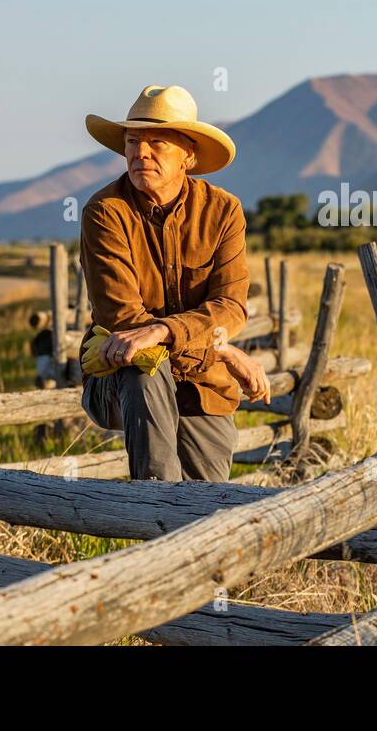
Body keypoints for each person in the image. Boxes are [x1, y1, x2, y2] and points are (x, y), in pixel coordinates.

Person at [77, 84, 270, 482]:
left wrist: (166, 331)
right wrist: (220, 350)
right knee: (141, 364)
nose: (139, 153)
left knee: (209, 504)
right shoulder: (105, 212)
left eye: (156, 143)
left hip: (202, 384)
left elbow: (231, 307)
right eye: (132, 142)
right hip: (120, 377)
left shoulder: (223, 211)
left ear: (189, 156)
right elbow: (124, 318)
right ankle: (155, 510)